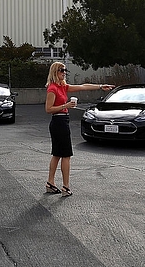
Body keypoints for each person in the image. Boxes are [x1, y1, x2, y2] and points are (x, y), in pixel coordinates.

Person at [44, 62, 114, 197]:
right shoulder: (52, 88)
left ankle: (50, 183)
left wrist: (100, 86)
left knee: (57, 154)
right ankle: (65, 187)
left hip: (62, 121)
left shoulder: (63, 87)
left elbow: (83, 86)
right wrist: (66, 105)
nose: (64, 72)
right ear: (55, 72)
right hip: (58, 122)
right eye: (61, 70)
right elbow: (48, 109)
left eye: (65, 70)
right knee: (65, 155)